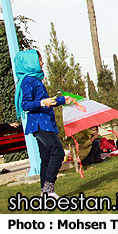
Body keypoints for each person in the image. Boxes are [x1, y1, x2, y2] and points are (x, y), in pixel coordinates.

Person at [14, 50, 72, 197]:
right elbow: (25, 104)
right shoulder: (29, 81)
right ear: (30, 63)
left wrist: (62, 100)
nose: (42, 63)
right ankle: (48, 190)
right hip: (40, 124)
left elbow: (46, 102)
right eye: (39, 60)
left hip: (44, 123)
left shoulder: (35, 80)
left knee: (46, 158)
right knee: (58, 153)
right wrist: (41, 102)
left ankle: (45, 194)